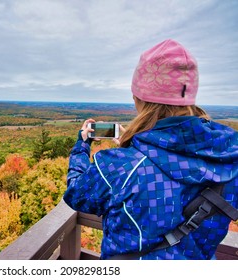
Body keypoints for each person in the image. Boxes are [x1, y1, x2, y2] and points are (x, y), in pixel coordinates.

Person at [63, 39, 238, 260]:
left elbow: (76, 194)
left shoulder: (120, 166)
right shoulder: (229, 156)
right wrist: (139, 150)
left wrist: (82, 146)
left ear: (139, 99)